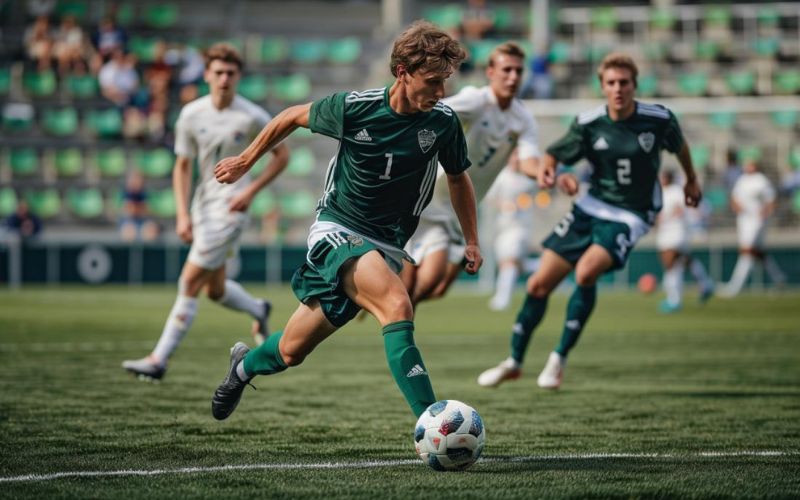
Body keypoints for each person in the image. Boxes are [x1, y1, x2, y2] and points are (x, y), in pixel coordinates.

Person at [208, 21, 480, 421]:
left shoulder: (442, 122)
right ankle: (433, 422)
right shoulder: (356, 107)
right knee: (397, 305)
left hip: (388, 244)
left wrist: (471, 239)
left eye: (445, 82)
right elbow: (290, 117)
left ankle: (242, 367)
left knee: (291, 350)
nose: (440, 92)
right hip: (339, 229)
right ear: (402, 72)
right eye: (432, 81)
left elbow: (458, 178)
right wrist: (246, 160)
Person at [477, 52, 702, 390]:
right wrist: (556, 173)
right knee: (538, 284)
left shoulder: (658, 119)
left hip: (632, 213)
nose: (618, 89)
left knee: (585, 272)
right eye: (611, 83)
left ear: (634, 85)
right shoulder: (588, 123)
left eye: (624, 83)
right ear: (602, 86)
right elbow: (554, 154)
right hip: (590, 206)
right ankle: (514, 361)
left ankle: (558, 358)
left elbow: (680, 146)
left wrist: (692, 179)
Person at [122, 43, 289, 380]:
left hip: (231, 208)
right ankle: (257, 308)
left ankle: (158, 360)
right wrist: (182, 214)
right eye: (218, 72)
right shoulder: (191, 114)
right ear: (207, 75)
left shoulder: (252, 116)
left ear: (239, 76)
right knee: (215, 289)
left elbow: (282, 157)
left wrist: (251, 192)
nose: (224, 78)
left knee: (189, 280)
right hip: (202, 206)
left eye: (231, 72)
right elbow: (182, 167)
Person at [401, 41, 540, 306]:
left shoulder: (523, 118)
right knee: (417, 284)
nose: (512, 77)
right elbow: (435, 112)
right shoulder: (476, 100)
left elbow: (529, 161)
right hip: (430, 199)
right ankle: (396, 319)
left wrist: (545, 173)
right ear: (490, 72)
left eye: (518, 71)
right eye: (506, 69)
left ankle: (392, 305)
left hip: (463, 210)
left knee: (437, 288)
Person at [719, 159, 785, 297]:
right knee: (758, 252)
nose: (747, 166)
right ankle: (779, 278)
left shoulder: (761, 181)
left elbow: (771, 200)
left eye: (750, 164)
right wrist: (736, 206)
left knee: (746, 251)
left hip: (757, 221)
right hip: (744, 220)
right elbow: (734, 197)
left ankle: (735, 286)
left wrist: (764, 214)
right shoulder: (742, 179)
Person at [485, 149, 540, 311]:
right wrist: (503, 205)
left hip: (520, 227)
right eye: (513, 155)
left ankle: (503, 298)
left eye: (518, 156)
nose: (516, 159)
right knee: (516, 264)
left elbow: (539, 195)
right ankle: (546, 266)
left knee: (509, 261)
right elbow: (491, 197)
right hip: (503, 226)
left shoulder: (528, 179)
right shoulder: (502, 177)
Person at [656, 169, 714, 313]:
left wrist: (666, 218)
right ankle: (706, 284)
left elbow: (681, 209)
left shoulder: (675, 191)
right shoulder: (660, 192)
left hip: (676, 230)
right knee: (683, 260)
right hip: (668, 232)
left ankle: (674, 300)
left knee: (669, 262)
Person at [119, 169, 159, 242]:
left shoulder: (145, 193)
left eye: (138, 180)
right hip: (128, 221)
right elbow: (129, 211)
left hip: (143, 221)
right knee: (129, 232)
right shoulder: (126, 193)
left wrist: (137, 209)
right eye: (133, 180)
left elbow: (147, 210)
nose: (136, 182)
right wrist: (138, 208)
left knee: (151, 230)